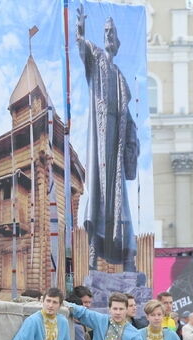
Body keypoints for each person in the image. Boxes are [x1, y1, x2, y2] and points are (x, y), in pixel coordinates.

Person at [76, 4, 139, 271]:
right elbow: (82, 48)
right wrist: (79, 30)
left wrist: (133, 143)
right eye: (106, 32)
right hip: (101, 141)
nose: (109, 37)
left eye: (113, 34)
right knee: (99, 195)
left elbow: (129, 118)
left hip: (117, 141)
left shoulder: (121, 79)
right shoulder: (98, 59)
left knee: (118, 201)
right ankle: (93, 253)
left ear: (118, 42)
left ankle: (127, 257)